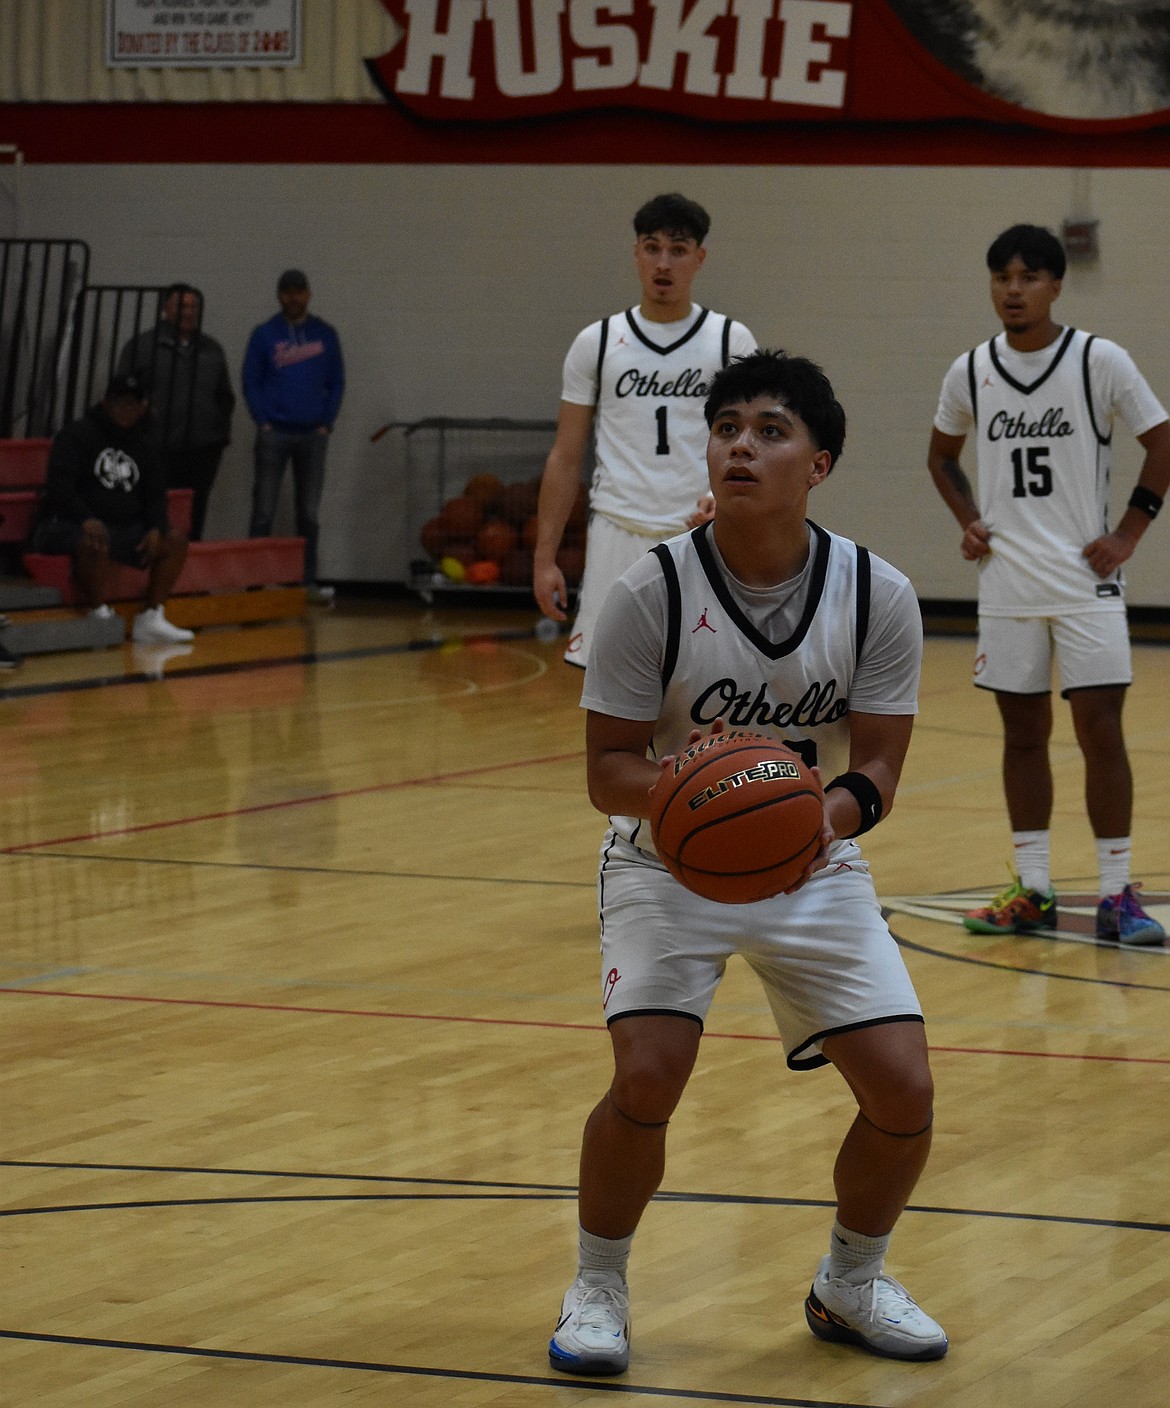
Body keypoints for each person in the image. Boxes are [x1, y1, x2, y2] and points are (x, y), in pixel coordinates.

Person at [549, 350, 946, 1378]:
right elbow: (605, 770)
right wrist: (695, 786)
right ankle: (599, 1281)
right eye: (726, 426)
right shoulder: (650, 589)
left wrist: (827, 813)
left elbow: (885, 761)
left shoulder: (877, 590)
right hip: (661, 864)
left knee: (904, 1092)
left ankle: (850, 1281)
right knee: (647, 1075)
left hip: (812, 861)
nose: (740, 445)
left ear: (820, 462)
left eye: (770, 430)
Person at [927, 223, 1169, 946]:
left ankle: (1116, 893)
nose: (1013, 290)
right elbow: (941, 458)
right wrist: (969, 520)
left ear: (1056, 285)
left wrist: (1127, 533)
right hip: (1007, 584)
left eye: (1029, 277)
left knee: (1101, 733)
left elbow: (1161, 441)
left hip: (1083, 580)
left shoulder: (1099, 359)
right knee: (1022, 736)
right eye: (1002, 277)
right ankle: (1032, 890)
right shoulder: (970, 370)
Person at [533, 193, 756, 668]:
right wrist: (545, 557)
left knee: (705, 682)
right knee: (607, 691)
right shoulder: (595, 343)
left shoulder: (729, 340)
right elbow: (565, 456)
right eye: (651, 247)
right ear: (635, 253)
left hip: (701, 534)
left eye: (677, 250)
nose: (663, 262)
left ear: (699, 258)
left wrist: (727, 499)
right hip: (617, 529)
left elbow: (751, 446)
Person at [29, 372, 194, 645]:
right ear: (105, 402)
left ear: (143, 408)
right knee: (95, 536)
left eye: (133, 403)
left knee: (174, 540)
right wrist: (84, 518)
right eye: (120, 402)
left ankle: (151, 616)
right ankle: (98, 613)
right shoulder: (76, 434)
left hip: (123, 528)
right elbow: (59, 487)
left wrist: (155, 527)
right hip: (66, 524)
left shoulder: (145, 446)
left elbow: (155, 495)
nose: (125, 409)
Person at [242, 268, 345, 604]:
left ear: (309, 294)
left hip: (313, 435)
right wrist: (263, 421)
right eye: (287, 292)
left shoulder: (326, 334)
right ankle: (254, 584)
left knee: (309, 514)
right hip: (274, 434)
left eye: (299, 291)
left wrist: (327, 421)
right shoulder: (264, 334)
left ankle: (306, 583)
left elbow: (337, 381)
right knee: (263, 510)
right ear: (279, 295)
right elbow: (250, 381)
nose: (293, 298)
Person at [116, 282, 236, 542]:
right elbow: (121, 394)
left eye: (193, 306)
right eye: (182, 305)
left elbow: (225, 396)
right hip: (155, 446)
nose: (189, 312)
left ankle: (189, 570)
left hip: (201, 450)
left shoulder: (211, 349)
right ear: (165, 308)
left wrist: (218, 436)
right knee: (153, 509)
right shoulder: (142, 346)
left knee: (194, 515)